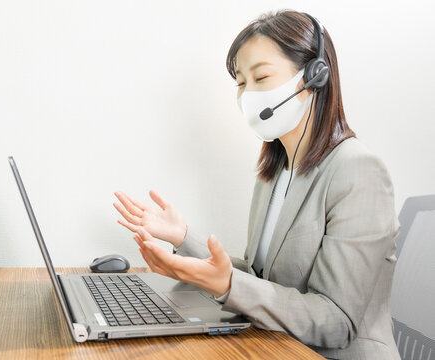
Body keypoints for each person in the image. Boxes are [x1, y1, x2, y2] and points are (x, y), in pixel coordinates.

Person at [112, 9, 401, 360]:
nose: (247, 95)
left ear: (315, 78)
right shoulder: (275, 171)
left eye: (260, 77)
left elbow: (336, 322)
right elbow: (257, 276)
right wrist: (182, 238)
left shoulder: (358, 171)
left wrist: (228, 285)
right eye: (240, 83)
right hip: (276, 347)